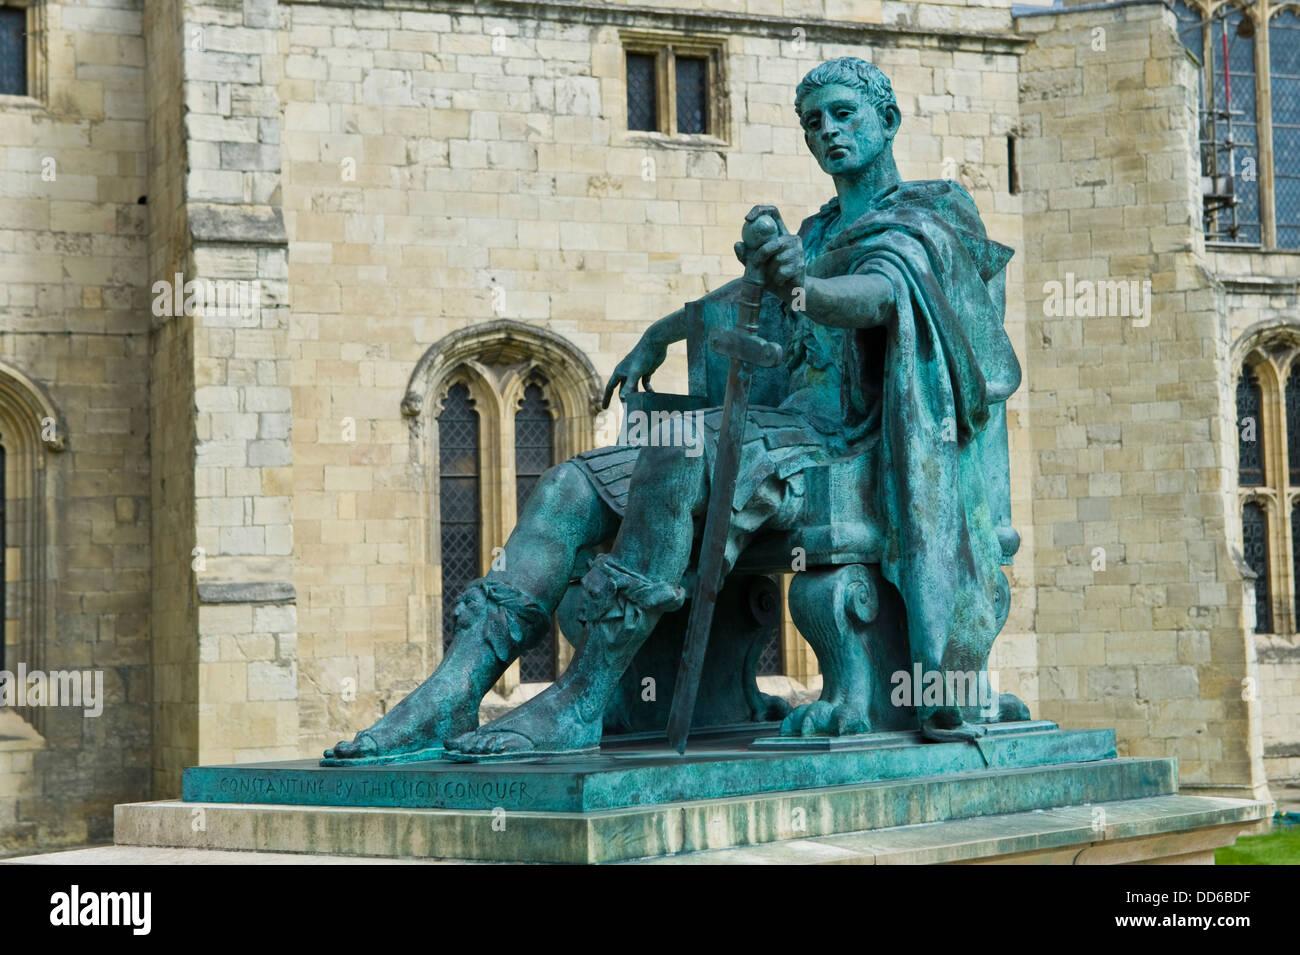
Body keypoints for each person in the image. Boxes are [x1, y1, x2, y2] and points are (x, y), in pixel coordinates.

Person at [327, 56, 1019, 761]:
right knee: (571, 483)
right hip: (775, 430)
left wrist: (801, 285)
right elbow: (736, 299)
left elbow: (880, 297)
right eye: (814, 122)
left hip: (853, 443)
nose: (828, 131)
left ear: (888, 120)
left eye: (844, 114)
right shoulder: (815, 230)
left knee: (682, 451)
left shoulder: (929, 213)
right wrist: (663, 332)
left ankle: (582, 698)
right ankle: (451, 690)